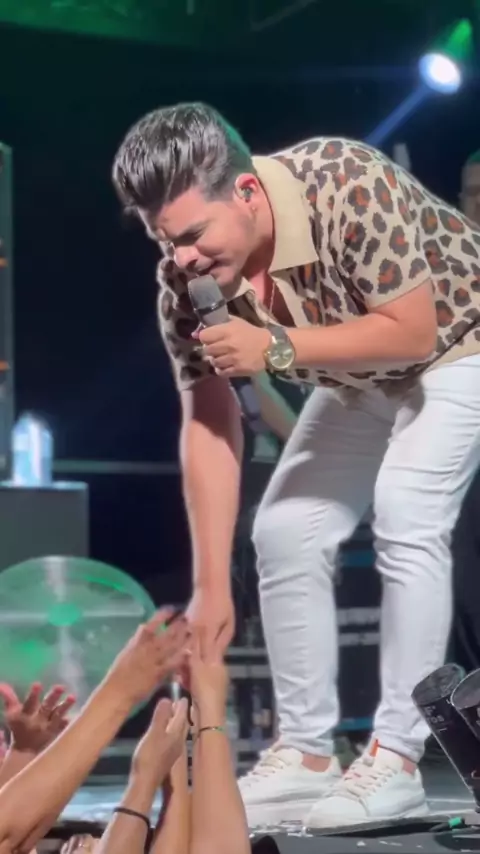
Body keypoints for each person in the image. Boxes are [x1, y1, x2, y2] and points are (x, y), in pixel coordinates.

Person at [112, 102, 480, 828]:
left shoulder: (346, 180)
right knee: (283, 530)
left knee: (406, 508)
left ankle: (399, 757)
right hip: (359, 378)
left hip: (459, 343)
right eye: (165, 240)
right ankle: (307, 755)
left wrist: (275, 348)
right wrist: (209, 588)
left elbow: (413, 332)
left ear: (247, 192)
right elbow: (209, 421)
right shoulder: (186, 284)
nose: (181, 258)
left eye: (193, 235)